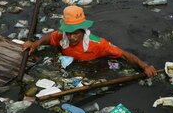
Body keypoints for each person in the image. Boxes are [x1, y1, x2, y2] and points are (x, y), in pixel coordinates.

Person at [22, 5, 157, 77]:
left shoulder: (99, 44)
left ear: (83, 31)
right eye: (69, 33)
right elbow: (50, 36)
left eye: (76, 34)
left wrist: (145, 66)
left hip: (93, 66)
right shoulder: (62, 35)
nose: (72, 37)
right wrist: (35, 44)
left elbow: (124, 54)